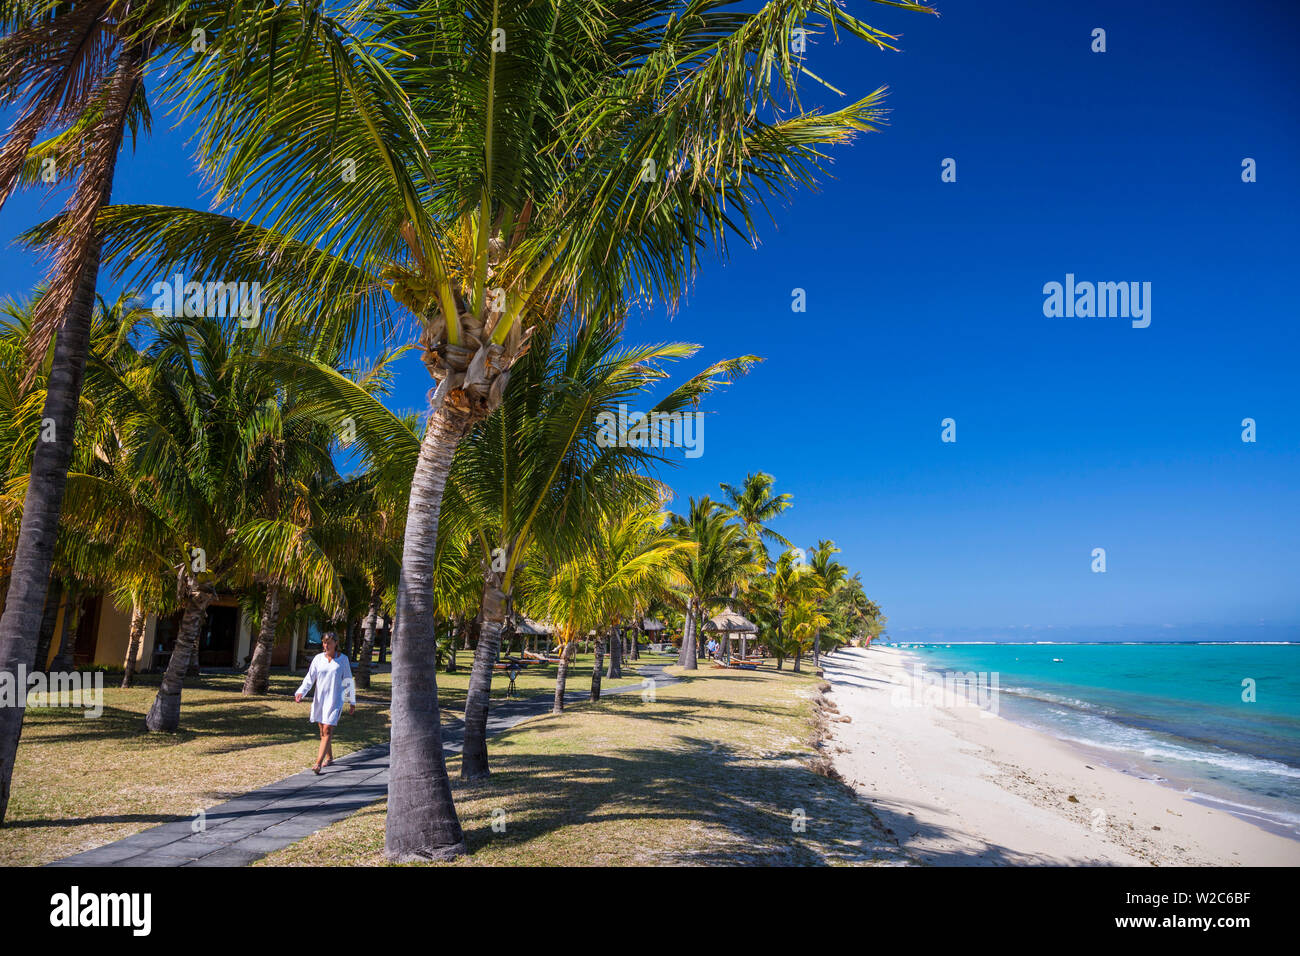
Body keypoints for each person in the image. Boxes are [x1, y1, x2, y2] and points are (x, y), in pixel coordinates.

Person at [295, 631, 356, 774]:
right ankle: (330, 757)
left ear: (336, 643)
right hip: (320, 699)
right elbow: (310, 678)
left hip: (335, 700)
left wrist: (351, 701)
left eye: (329, 642)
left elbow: (348, 680)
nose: (326, 645)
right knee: (323, 730)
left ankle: (318, 763)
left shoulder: (343, 660)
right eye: (324, 642)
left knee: (327, 729)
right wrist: (300, 692)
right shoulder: (318, 659)